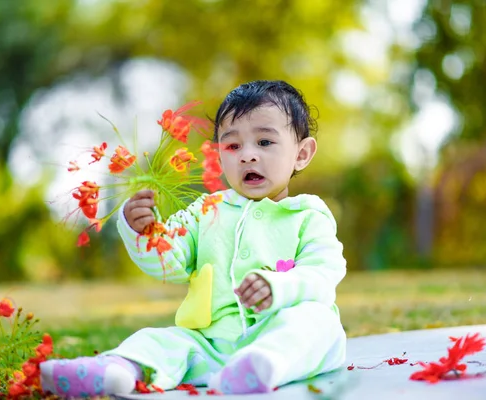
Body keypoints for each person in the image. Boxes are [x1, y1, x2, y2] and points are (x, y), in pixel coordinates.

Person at [40, 80, 347, 396]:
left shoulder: (308, 214)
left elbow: (323, 273)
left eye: (265, 142)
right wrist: (142, 230)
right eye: (233, 146)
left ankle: (259, 365)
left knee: (318, 323)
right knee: (160, 340)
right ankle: (116, 369)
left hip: (281, 336)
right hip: (208, 345)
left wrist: (278, 288)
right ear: (220, 154)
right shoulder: (206, 209)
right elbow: (168, 262)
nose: (248, 156)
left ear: (302, 153)